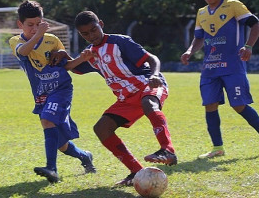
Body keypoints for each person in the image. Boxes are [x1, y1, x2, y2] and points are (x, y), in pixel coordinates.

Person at [53, 10, 177, 186]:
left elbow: (152, 59)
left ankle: (168, 151)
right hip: (126, 98)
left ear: (101, 24)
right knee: (101, 128)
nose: (91, 35)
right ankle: (135, 171)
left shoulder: (120, 42)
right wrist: (64, 55)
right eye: (85, 34)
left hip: (148, 85)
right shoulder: (90, 53)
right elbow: (75, 68)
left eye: (94, 30)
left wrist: (155, 75)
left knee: (148, 103)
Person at [9, 0, 96, 183]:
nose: (34, 28)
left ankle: (52, 170)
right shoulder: (16, 41)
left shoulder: (52, 40)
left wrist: (82, 58)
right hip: (42, 94)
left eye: (38, 24)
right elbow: (24, 52)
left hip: (61, 89)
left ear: (43, 21)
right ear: (20, 24)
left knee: (47, 121)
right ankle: (85, 156)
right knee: (61, 144)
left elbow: (68, 65)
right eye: (30, 25)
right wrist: (38, 34)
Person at [181, 0, 259, 159]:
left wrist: (248, 46)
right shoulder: (201, 12)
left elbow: (255, 24)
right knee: (210, 105)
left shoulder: (233, 6)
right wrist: (189, 51)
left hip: (233, 66)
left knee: (239, 105)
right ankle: (217, 148)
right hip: (210, 67)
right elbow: (199, 38)